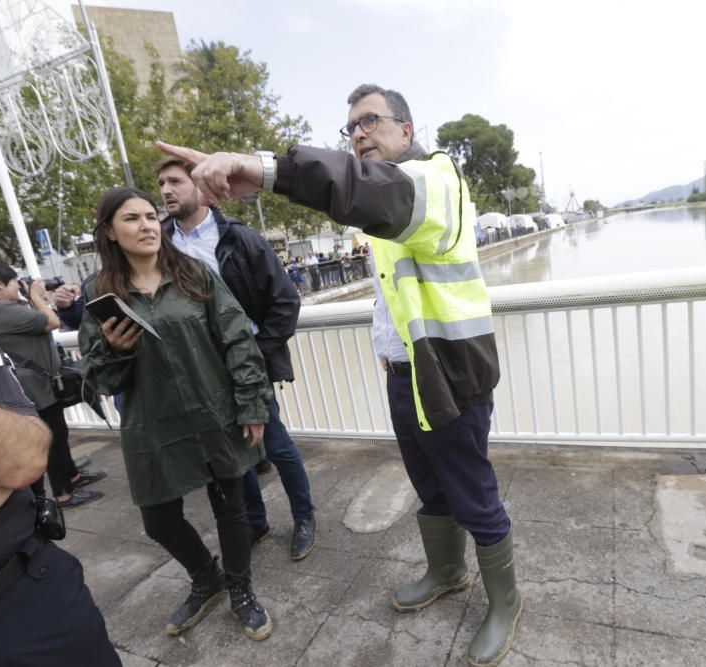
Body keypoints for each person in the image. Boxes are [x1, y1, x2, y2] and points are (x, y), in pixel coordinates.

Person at [157, 82, 520, 667]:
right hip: (408, 372)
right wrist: (389, 343)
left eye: (370, 121)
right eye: (350, 127)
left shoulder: (435, 180)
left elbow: (363, 191)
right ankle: (448, 570)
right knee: (429, 485)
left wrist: (268, 169)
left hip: (451, 374)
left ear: (406, 129)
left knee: (473, 494)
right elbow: (393, 272)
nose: (357, 134)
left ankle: (505, 601)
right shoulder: (389, 202)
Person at [78, 187, 273, 641]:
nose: (146, 225)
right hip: (153, 422)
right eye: (131, 219)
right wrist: (115, 350)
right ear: (110, 231)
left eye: (150, 216)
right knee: (159, 520)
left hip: (214, 410)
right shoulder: (100, 294)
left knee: (232, 508)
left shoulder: (193, 273)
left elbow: (238, 340)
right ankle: (207, 577)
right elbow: (100, 378)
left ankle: (241, 587)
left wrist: (251, 402)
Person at [156, 156, 317, 559]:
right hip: (200, 371)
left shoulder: (241, 239)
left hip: (248, 363)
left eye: (175, 181)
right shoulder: (160, 243)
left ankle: (305, 518)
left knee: (276, 445)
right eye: (161, 184)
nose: (166, 190)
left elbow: (285, 299)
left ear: (203, 190)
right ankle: (257, 523)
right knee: (234, 456)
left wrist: (257, 355)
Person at [0, 321, 119, 665]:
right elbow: (47, 320)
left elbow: (21, 463)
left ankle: (68, 486)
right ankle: (67, 488)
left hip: (27, 595)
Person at [0, 262, 105, 509]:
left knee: (58, 433)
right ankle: (64, 494)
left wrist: (29, 297)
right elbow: (51, 322)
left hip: (32, 384)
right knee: (52, 439)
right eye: (13, 282)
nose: (17, 287)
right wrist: (36, 296)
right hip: (33, 387)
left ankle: (73, 477)